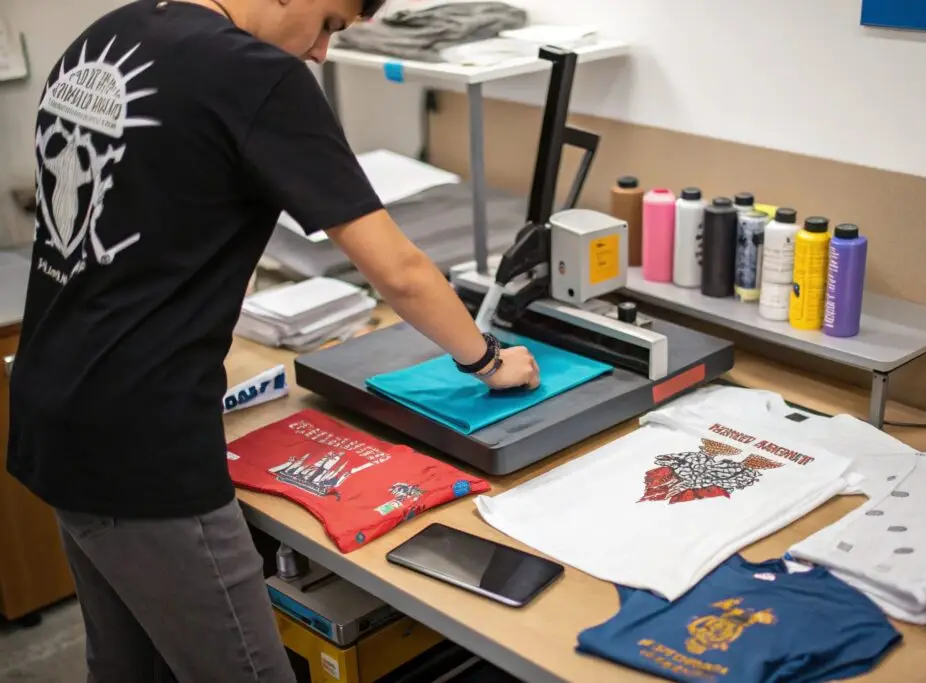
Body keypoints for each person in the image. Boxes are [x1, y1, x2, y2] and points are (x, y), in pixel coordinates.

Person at [7, 0, 541, 681]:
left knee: (127, 666)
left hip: (54, 404)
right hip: (142, 444)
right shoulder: (256, 74)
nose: (320, 52)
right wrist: (489, 359)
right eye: (329, 22)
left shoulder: (111, 33)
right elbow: (400, 271)